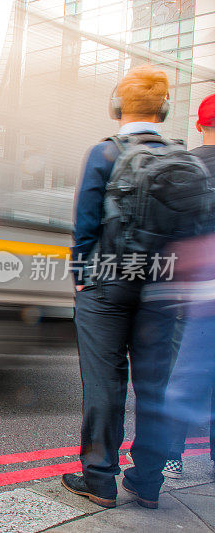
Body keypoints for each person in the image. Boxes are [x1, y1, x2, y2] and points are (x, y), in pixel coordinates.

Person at [61, 65, 181, 509]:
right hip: (163, 287)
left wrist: (81, 279)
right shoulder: (179, 157)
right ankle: (148, 481)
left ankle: (99, 480)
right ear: (164, 109)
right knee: (155, 387)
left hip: (108, 286)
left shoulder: (103, 154)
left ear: (117, 107)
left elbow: (84, 226)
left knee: (105, 384)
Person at [157, 94, 215, 478]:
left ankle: (172, 455)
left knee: (180, 370)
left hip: (193, 284)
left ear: (199, 125)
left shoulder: (185, 164)